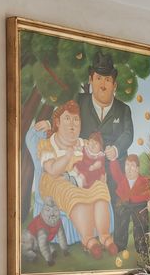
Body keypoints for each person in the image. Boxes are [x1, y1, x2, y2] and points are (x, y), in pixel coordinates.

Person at [36, 100, 117, 259]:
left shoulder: (86, 143)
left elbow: (98, 163)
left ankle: (105, 236)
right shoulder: (47, 145)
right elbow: (52, 170)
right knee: (72, 192)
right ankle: (88, 240)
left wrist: (101, 174)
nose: (72, 124)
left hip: (85, 179)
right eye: (67, 119)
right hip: (58, 181)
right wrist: (67, 155)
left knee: (100, 188)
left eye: (76, 119)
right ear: (57, 123)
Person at [77, 52, 133, 197]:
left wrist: (116, 149)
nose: (102, 85)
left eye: (107, 80)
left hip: (113, 174)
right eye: (98, 78)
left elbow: (128, 134)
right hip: (84, 170)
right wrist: (49, 123)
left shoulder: (124, 109)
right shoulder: (79, 101)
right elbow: (65, 116)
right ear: (90, 80)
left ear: (114, 85)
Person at [109, 154, 150, 256]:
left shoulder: (144, 181)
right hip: (124, 201)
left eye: (132, 165)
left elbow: (149, 193)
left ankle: (142, 247)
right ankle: (119, 245)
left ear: (137, 168)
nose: (129, 168)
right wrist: (113, 160)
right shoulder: (122, 178)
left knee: (141, 223)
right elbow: (115, 172)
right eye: (127, 165)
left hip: (139, 203)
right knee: (120, 221)